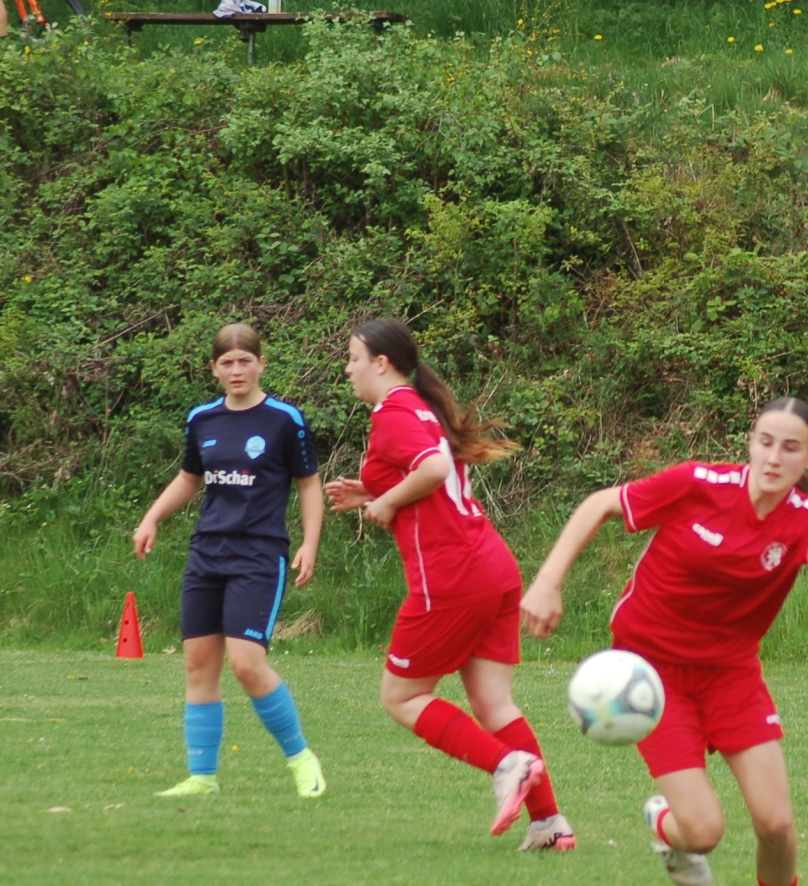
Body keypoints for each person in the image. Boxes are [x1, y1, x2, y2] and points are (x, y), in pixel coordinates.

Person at [520, 398, 808, 886]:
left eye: (790, 447)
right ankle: (666, 822)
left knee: (776, 823)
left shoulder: (806, 520)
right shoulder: (697, 484)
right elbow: (600, 504)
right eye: (765, 442)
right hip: (651, 675)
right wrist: (547, 581)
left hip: (731, 674)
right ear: (750, 442)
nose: (774, 457)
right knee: (703, 832)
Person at [324, 318, 573, 849]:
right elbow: (430, 477)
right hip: (491, 565)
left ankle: (506, 765)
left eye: (353, 359)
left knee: (402, 696)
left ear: (381, 364)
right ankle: (549, 824)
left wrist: (387, 502)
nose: (347, 369)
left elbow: (435, 468)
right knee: (494, 704)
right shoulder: (419, 407)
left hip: (451, 575)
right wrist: (373, 491)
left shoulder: (393, 412)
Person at [134, 323, 326, 799]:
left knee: (246, 663)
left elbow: (308, 485)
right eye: (227, 362)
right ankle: (202, 778)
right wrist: (152, 517)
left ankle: (302, 759)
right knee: (199, 667)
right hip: (207, 552)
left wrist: (310, 543)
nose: (236, 370)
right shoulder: (202, 418)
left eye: (245, 361)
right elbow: (189, 478)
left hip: (259, 554)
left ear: (261, 363)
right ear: (214, 369)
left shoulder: (285, 419)